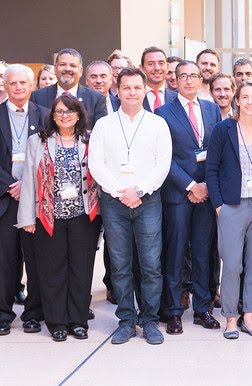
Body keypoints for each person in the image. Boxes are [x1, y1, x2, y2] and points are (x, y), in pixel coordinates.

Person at [90, 67, 173, 345]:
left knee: (150, 264)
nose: (132, 93)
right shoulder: (104, 125)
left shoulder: (157, 123)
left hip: (147, 201)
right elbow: (96, 164)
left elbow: (163, 164)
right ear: (118, 90)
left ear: (145, 90)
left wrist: (138, 190)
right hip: (114, 202)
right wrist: (119, 191)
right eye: (127, 88)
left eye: (137, 87)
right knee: (121, 266)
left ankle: (149, 320)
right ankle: (126, 320)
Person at [18, 95, 101, 342]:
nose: (65, 116)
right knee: (52, 270)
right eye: (60, 112)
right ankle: (56, 322)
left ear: (79, 114)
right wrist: (27, 218)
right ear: (52, 116)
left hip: (84, 215)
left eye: (70, 111)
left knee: (81, 269)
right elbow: (29, 182)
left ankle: (78, 321)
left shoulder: (90, 140)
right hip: (48, 215)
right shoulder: (38, 141)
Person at [0, 64, 48, 336]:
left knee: (36, 259)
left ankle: (33, 313)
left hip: (35, 201)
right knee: (1, 261)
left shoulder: (46, 115)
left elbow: (47, 156)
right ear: (4, 86)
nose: (18, 87)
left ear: (32, 85)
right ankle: (3, 314)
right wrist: (9, 185)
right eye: (12, 83)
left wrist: (27, 186)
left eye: (23, 83)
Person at [153, 60, 224, 333]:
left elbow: (215, 152)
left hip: (206, 194)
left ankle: (203, 309)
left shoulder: (211, 109)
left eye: (194, 76)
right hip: (178, 195)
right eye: (184, 76)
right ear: (176, 80)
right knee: (176, 253)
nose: (190, 81)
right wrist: (190, 185)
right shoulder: (163, 112)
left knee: (204, 253)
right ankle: (173, 311)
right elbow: (164, 158)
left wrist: (206, 186)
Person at [206, 80, 252, 339]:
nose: (249, 102)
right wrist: (218, 205)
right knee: (233, 263)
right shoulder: (222, 130)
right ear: (236, 100)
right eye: (244, 97)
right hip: (232, 206)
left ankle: (249, 315)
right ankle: (230, 318)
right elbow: (211, 169)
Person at [32, 49, 109, 127]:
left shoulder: (96, 99)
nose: (67, 69)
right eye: (62, 64)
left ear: (81, 71)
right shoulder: (37, 97)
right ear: (55, 68)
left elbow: (101, 133)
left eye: (73, 65)